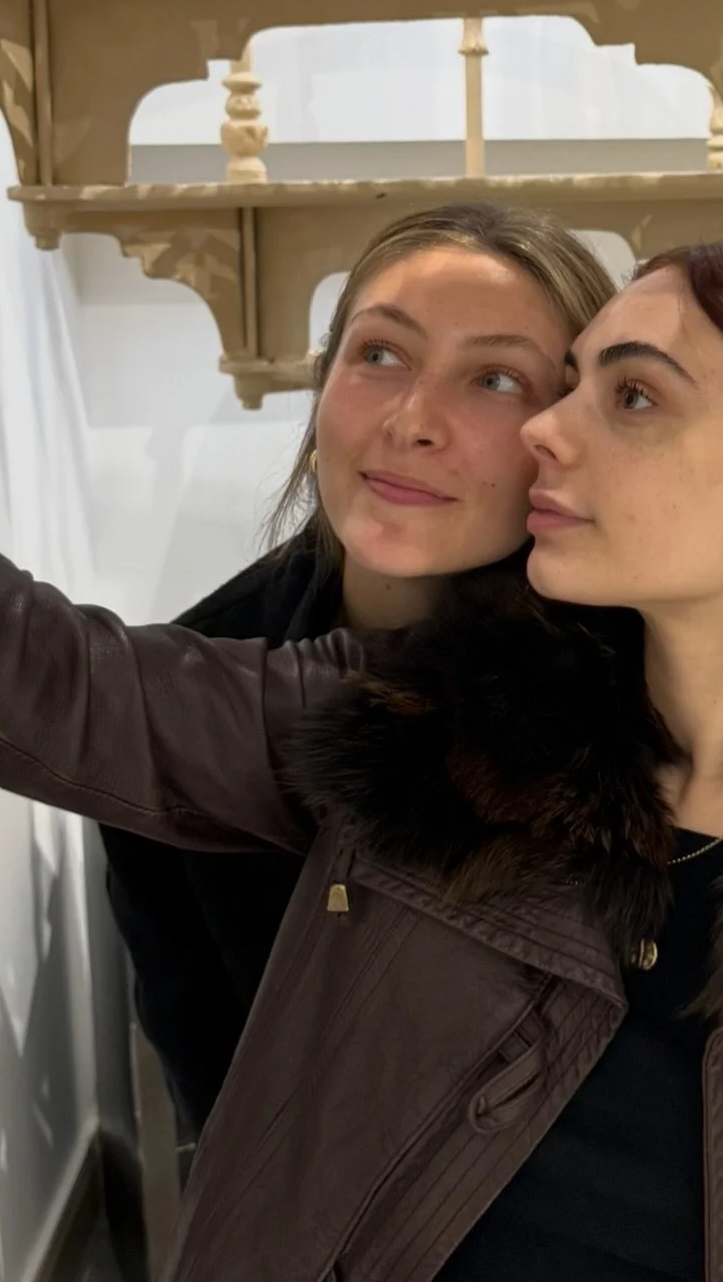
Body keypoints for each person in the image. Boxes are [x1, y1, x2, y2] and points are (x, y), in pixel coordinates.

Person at [0, 238, 723, 1282]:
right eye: (573, 380)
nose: (546, 427)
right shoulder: (438, 719)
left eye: (632, 396)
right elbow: (47, 679)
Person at [100, 201, 617, 1138]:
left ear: (565, 434)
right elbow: (219, 1096)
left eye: (495, 379)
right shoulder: (195, 688)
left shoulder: (644, 681)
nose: (413, 421)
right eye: (380, 354)